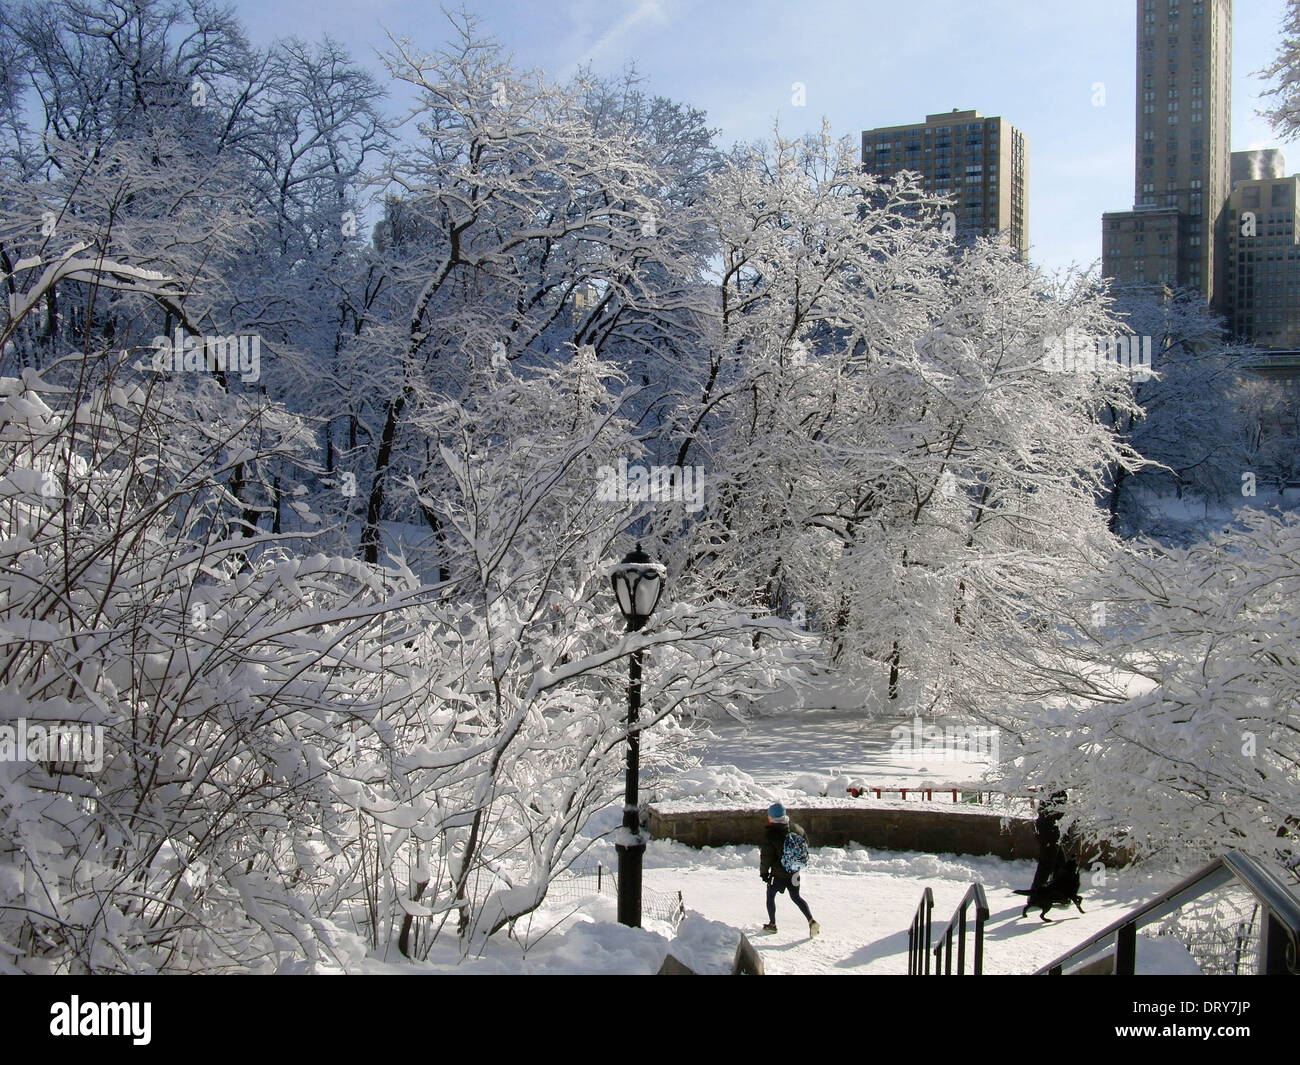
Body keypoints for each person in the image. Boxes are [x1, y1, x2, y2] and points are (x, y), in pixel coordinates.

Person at [759, 802, 819, 936]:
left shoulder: (771, 834)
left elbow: (766, 856)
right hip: (795, 872)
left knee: (770, 896)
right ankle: (811, 921)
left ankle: (772, 924)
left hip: (778, 875)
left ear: (772, 817)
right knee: (796, 897)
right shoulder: (797, 828)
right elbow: (806, 844)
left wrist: (764, 873)